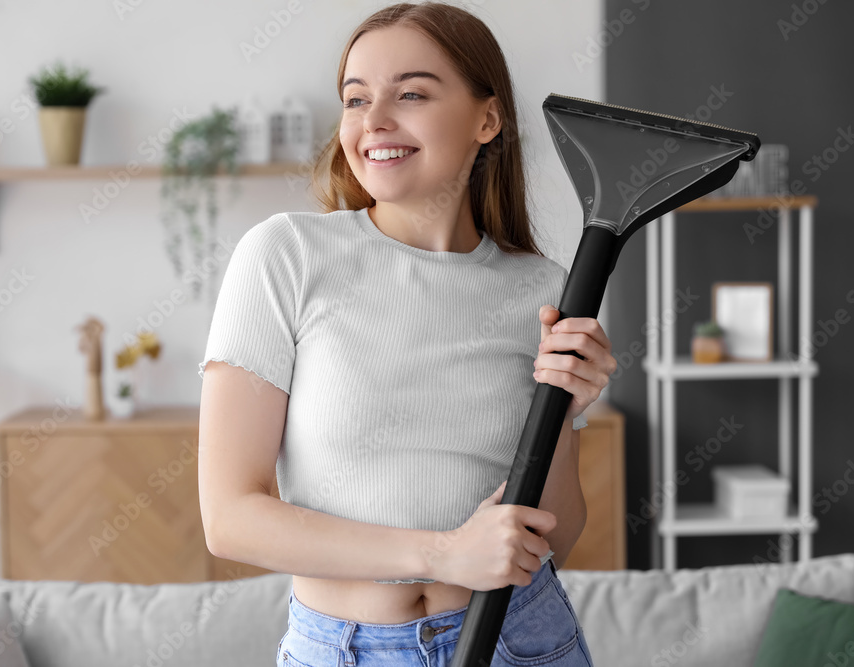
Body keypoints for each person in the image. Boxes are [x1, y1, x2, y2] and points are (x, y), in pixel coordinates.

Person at [198, 3, 616, 665]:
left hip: (521, 638)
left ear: (488, 118)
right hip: (345, 647)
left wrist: (562, 412)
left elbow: (550, 542)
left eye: (411, 93)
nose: (374, 121)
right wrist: (443, 551)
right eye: (356, 98)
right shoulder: (285, 255)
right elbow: (229, 518)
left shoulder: (543, 289)